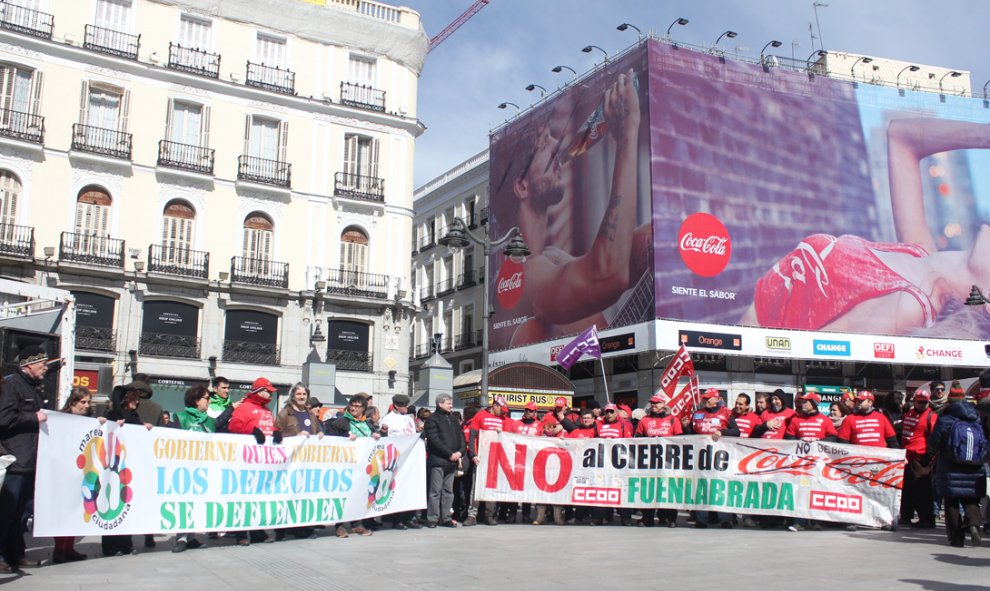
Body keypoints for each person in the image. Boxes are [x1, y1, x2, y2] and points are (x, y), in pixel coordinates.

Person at [743, 118, 990, 339]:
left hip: (746, 362)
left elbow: (807, 353)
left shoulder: (911, 306)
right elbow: (900, 135)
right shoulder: (919, 254)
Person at [489, 67, 651, 348]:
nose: (556, 146)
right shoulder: (518, 272)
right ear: (522, 187)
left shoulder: (552, 259)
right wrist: (626, 138)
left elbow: (631, 254)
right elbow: (609, 272)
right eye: (543, 143)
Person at [919, 385, 988, 547]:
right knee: (971, 499)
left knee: (951, 502)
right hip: (975, 464)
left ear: (950, 401)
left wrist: (927, 458)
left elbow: (935, 441)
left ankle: (956, 537)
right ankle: (973, 525)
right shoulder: (975, 415)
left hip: (950, 465)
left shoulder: (946, 416)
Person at [101, 382, 154, 557]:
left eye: (137, 399)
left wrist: (144, 428)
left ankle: (126, 543)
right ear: (124, 399)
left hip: (129, 466)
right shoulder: (112, 414)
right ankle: (110, 546)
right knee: (112, 503)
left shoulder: (134, 415)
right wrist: (114, 425)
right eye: (132, 398)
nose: (136, 402)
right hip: (114, 466)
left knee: (126, 503)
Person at [227, 377, 281, 546]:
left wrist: (276, 432)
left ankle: (258, 532)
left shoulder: (266, 411)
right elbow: (233, 426)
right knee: (243, 498)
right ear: (258, 391)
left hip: (263, 462)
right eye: (267, 391)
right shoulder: (245, 408)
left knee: (259, 498)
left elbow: (269, 427)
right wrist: (251, 430)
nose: (270, 395)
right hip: (245, 462)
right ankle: (241, 533)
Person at [683, 388, 739, 529]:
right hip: (701, 457)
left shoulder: (726, 412)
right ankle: (701, 519)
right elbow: (692, 432)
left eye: (708, 398)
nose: (705, 401)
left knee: (720, 486)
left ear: (717, 399)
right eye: (704, 398)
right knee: (702, 487)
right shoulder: (698, 413)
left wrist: (722, 431)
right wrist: (685, 427)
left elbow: (736, 431)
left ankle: (725, 518)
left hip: (721, 457)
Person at [325, 394, 379, 537]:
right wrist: (345, 439)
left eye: (357, 406)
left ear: (363, 409)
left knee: (360, 495)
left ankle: (357, 524)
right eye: (352, 406)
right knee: (344, 496)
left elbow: (372, 438)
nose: (354, 408)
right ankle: (340, 525)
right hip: (345, 466)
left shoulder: (367, 424)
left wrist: (377, 436)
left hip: (363, 467)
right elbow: (330, 440)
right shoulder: (341, 422)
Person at [784, 392, 838, 532]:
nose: (803, 404)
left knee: (817, 491)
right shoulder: (796, 420)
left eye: (806, 402)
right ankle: (799, 522)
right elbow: (788, 437)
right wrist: (799, 442)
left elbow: (833, 437)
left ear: (814, 404)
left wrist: (818, 442)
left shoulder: (824, 420)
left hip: (819, 464)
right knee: (800, 492)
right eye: (802, 402)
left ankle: (816, 522)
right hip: (801, 464)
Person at [170, 385, 214, 553]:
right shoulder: (180, 418)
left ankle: (191, 536)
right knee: (184, 503)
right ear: (196, 401)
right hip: (185, 469)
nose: (209, 401)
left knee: (197, 504)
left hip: (203, 470)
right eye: (206, 398)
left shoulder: (210, 421)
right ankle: (180, 537)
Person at [52, 387, 94, 564]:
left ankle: (69, 548)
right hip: (62, 472)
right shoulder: (61, 419)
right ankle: (60, 549)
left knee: (75, 509)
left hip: (80, 472)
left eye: (88, 402)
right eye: (83, 402)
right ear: (73, 402)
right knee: (63, 511)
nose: (86, 405)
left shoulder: (87, 420)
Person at [634, 394, 682, 528]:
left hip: (668, 461)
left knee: (670, 489)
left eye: (656, 403)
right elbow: (637, 438)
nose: (653, 405)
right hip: (649, 462)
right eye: (652, 403)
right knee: (649, 489)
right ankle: (647, 518)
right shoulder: (644, 420)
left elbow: (680, 440)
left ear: (663, 404)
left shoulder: (673, 420)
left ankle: (671, 519)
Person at [423, 393, 466, 529]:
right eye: (448, 403)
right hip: (438, 460)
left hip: (451, 462)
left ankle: (446, 517)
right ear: (440, 404)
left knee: (448, 491)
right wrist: (449, 454)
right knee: (435, 491)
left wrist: (460, 452)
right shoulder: (432, 419)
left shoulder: (453, 419)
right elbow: (434, 440)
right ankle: (432, 518)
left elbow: (461, 437)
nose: (451, 405)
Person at [464, 396, 508, 526]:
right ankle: (472, 515)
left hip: (495, 458)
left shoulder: (503, 419)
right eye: (501, 409)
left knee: (492, 487)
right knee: (475, 487)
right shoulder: (480, 416)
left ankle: (489, 515)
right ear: (495, 405)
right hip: (481, 458)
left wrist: (502, 432)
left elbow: (509, 438)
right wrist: (473, 454)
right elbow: (472, 436)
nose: (503, 412)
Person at [380, 394, 421, 531]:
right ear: (397, 406)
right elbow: (385, 438)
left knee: (409, 488)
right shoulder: (388, 419)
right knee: (397, 489)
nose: (406, 407)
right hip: (396, 458)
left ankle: (409, 517)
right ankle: (396, 519)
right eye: (404, 405)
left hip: (409, 458)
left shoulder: (409, 419)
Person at [900, 390, 937, 529]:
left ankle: (927, 519)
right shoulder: (909, 413)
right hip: (907, 457)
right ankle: (906, 515)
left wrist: (929, 457)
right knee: (908, 488)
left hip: (921, 457)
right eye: (919, 401)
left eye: (925, 402)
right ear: (914, 401)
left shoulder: (931, 416)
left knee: (922, 489)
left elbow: (934, 438)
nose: (922, 404)